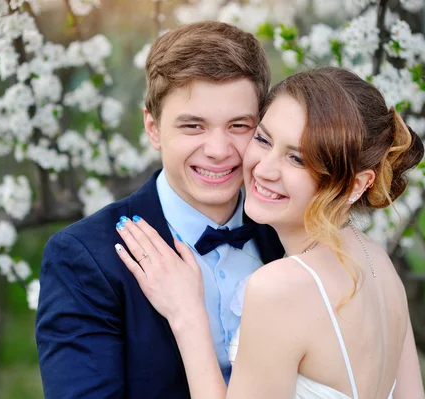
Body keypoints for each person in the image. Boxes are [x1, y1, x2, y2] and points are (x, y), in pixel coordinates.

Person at [115, 67, 425, 398]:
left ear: (356, 184)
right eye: (263, 139)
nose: (263, 169)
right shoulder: (378, 262)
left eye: (297, 159)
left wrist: (187, 317)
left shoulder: (279, 288)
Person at [35, 21, 285, 399]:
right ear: (153, 128)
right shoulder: (85, 258)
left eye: (238, 125)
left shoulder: (288, 233)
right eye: (193, 126)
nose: (218, 149)